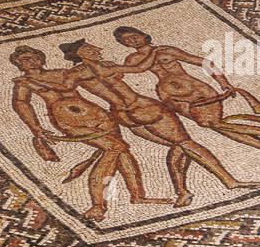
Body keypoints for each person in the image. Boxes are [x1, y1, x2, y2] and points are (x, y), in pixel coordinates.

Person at [56, 40, 260, 206]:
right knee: (186, 144)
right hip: (142, 110)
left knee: (180, 145)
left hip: (125, 114)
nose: (98, 49)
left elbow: (62, 91)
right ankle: (229, 181)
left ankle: (183, 192)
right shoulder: (89, 71)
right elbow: (139, 69)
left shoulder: (86, 71)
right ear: (81, 53)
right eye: (91, 48)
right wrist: (155, 52)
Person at [112, 27, 260, 173]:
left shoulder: (167, 51)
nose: (131, 42)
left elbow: (204, 62)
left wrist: (223, 83)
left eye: (133, 37)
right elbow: (126, 72)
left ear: (144, 34)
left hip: (198, 93)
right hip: (173, 100)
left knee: (219, 125)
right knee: (228, 131)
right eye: (126, 42)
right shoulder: (133, 60)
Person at [9, 46, 170, 222]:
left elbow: (80, 82)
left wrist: (101, 68)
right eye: (25, 59)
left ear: (42, 58)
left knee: (122, 153)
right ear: (18, 64)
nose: (32, 61)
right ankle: (97, 206)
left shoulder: (62, 73)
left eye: (35, 57)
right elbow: (21, 103)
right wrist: (35, 127)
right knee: (115, 148)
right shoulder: (23, 83)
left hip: (98, 115)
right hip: (69, 120)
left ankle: (138, 196)